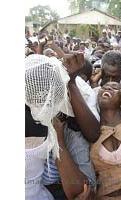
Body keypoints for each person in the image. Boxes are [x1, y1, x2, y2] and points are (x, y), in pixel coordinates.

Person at [25, 52, 100, 200]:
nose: (42, 97)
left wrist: (58, 140)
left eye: (47, 90)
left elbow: (84, 192)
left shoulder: (68, 128)